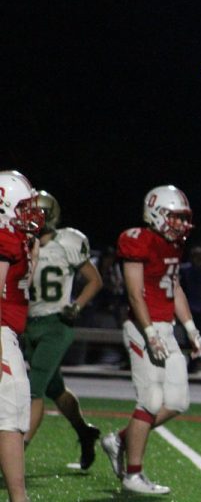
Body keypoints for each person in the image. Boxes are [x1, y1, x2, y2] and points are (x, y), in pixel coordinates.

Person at [101, 185, 201, 495]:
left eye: (183, 219)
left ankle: (119, 440)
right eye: (175, 218)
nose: (181, 225)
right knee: (150, 401)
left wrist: (191, 329)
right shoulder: (137, 240)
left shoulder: (172, 245)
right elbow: (135, 293)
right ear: (156, 213)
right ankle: (133, 475)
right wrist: (148, 333)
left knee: (176, 402)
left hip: (166, 328)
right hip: (142, 327)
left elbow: (174, 287)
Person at [23, 190, 104, 469]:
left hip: (57, 324)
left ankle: (15, 453)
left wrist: (77, 305)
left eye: (39, 213)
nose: (34, 219)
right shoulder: (23, 243)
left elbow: (95, 280)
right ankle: (84, 431)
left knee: (33, 391)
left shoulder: (67, 241)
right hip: (29, 325)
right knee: (55, 388)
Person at [0, 170, 45, 502]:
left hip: (9, 330)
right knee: (12, 413)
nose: (31, 214)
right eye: (23, 207)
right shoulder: (4, 239)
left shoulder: (21, 239)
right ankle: (19, 498)